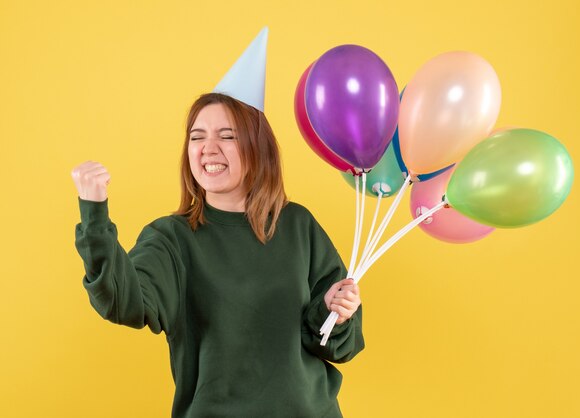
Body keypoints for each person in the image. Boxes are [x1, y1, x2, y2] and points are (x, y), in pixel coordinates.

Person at [71, 28, 364, 418]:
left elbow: (340, 345)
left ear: (256, 147)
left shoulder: (298, 226)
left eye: (227, 135)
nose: (208, 148)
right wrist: (95, 216)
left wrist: (334, 311)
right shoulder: (171, 239)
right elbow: (123, 302)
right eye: (197, 137)